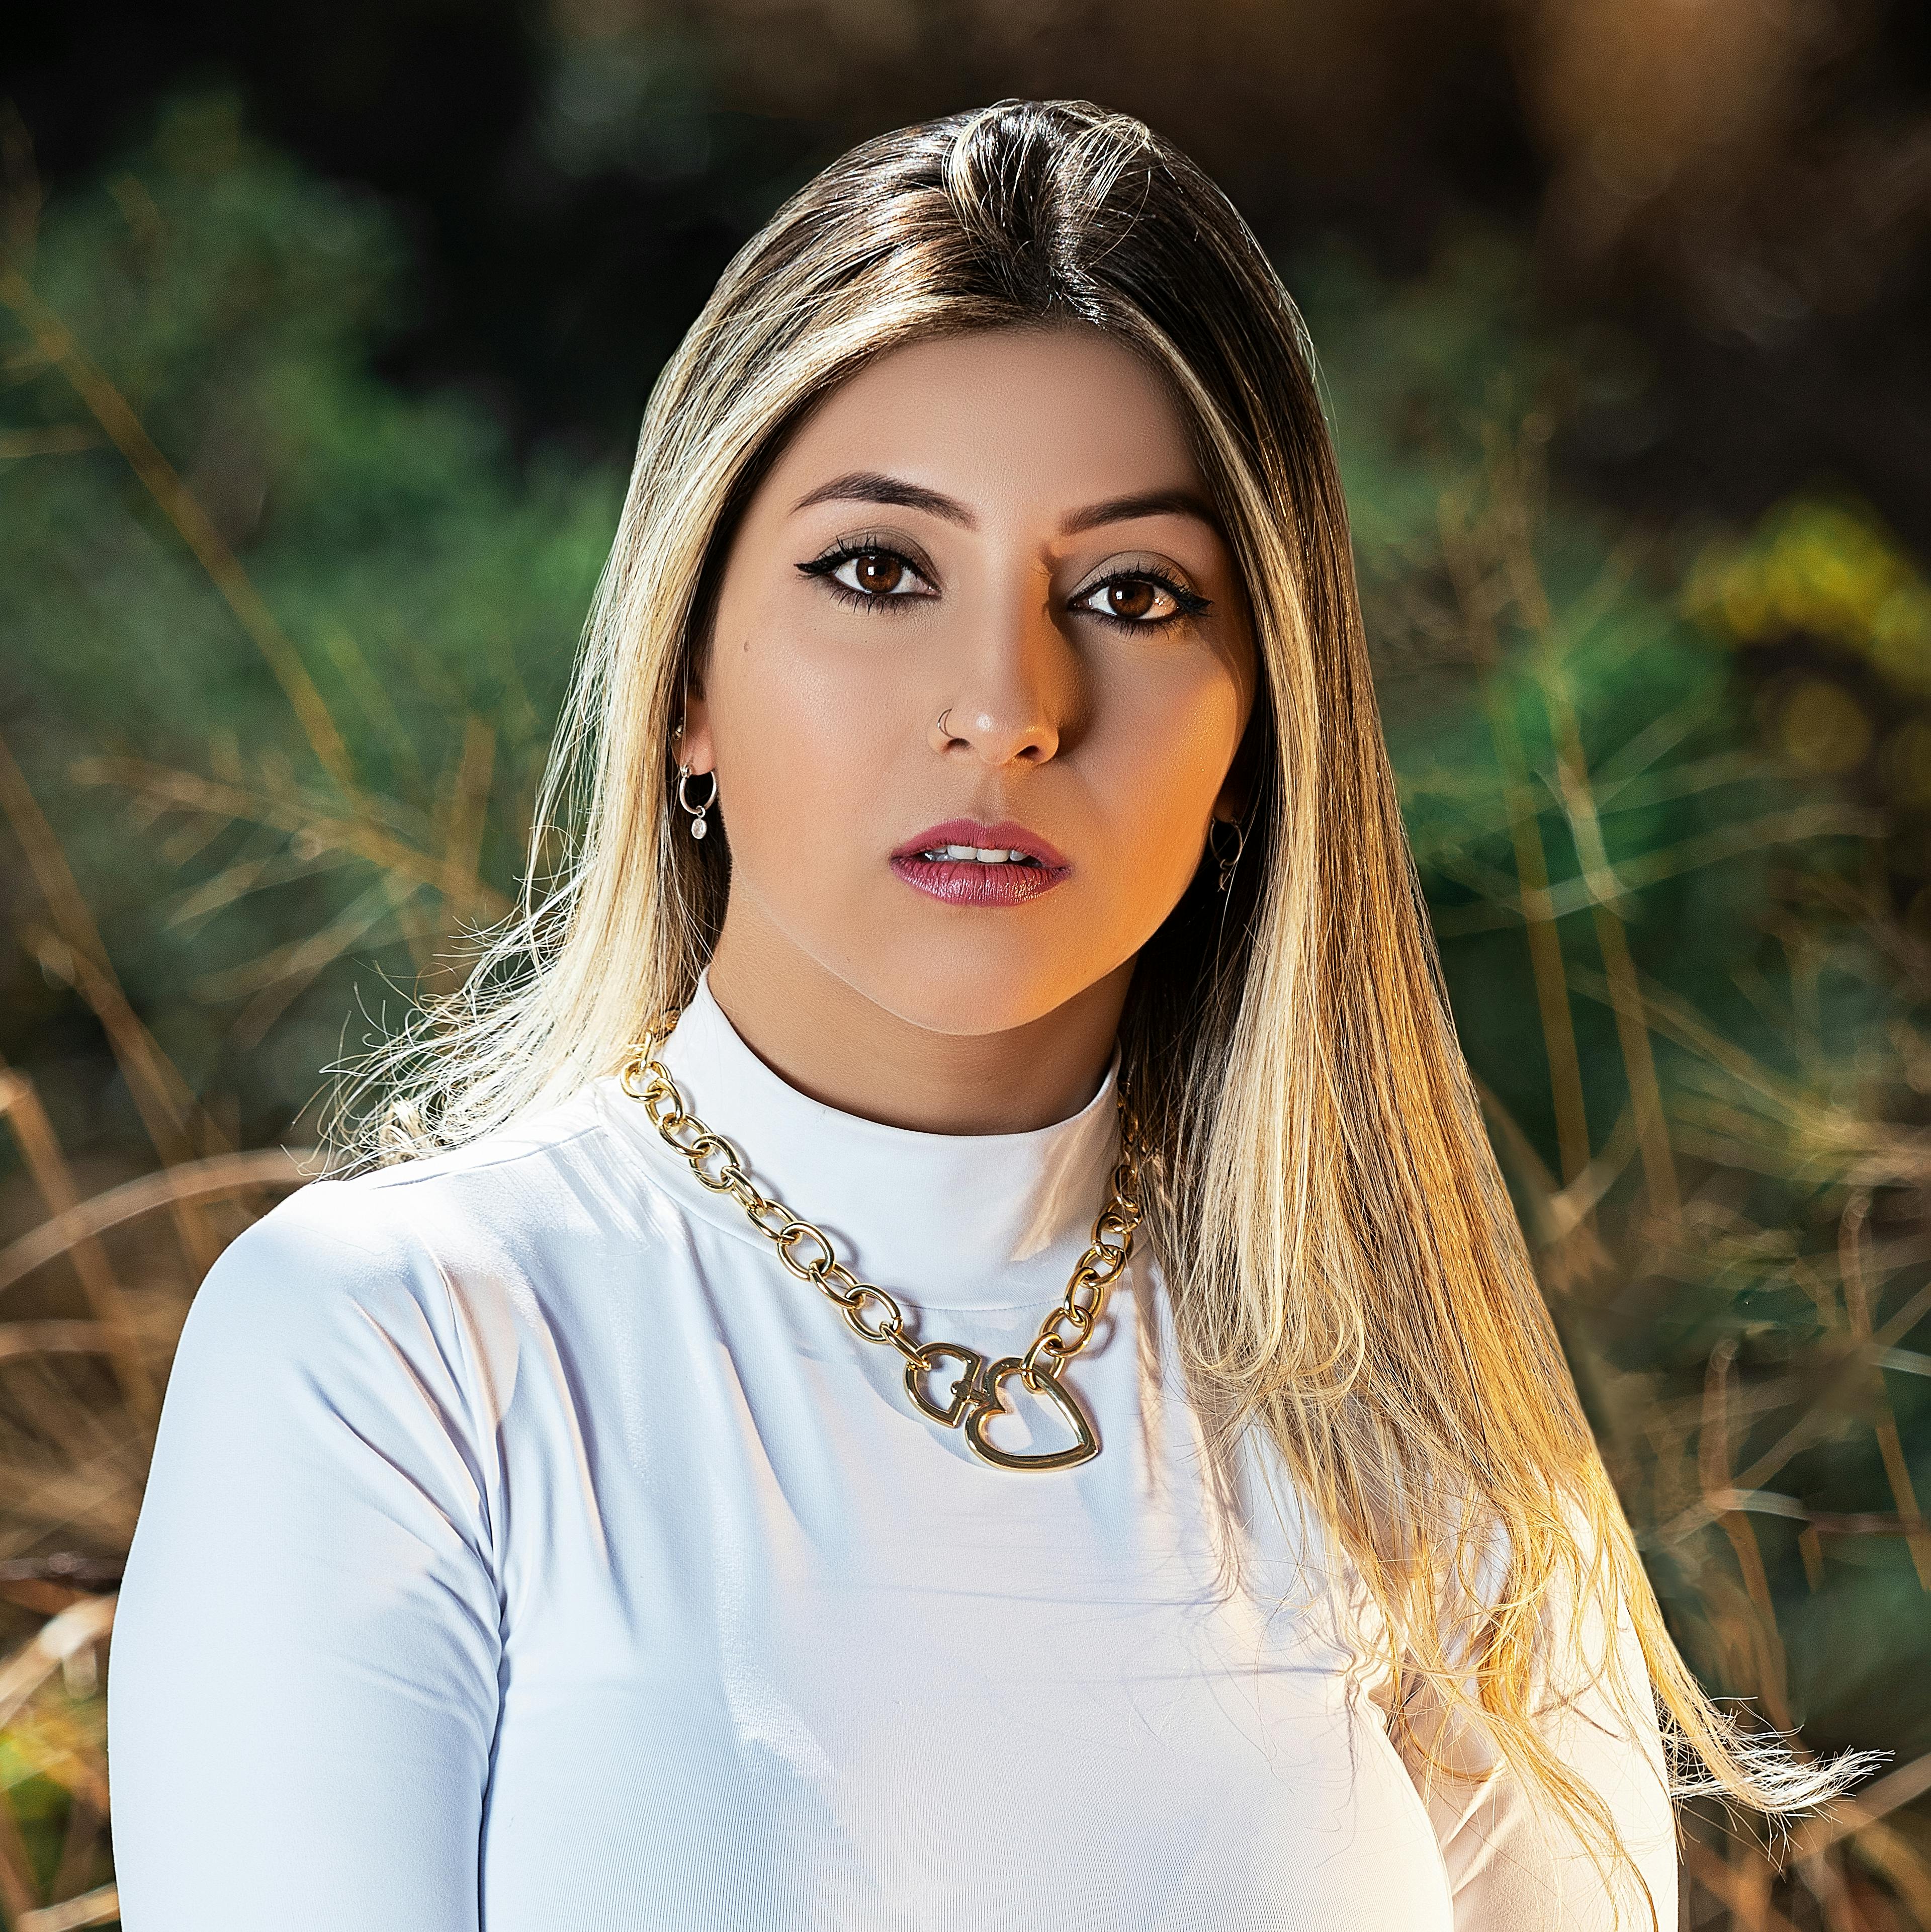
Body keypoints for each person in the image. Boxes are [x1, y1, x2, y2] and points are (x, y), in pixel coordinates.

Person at [106, 98, 1849, 1931]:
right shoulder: (402, 1356)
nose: (1008, 705)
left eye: (1131, 592)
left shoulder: (1415, 1433)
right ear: (685, 679)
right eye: (879, 571)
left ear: (1262, 732)